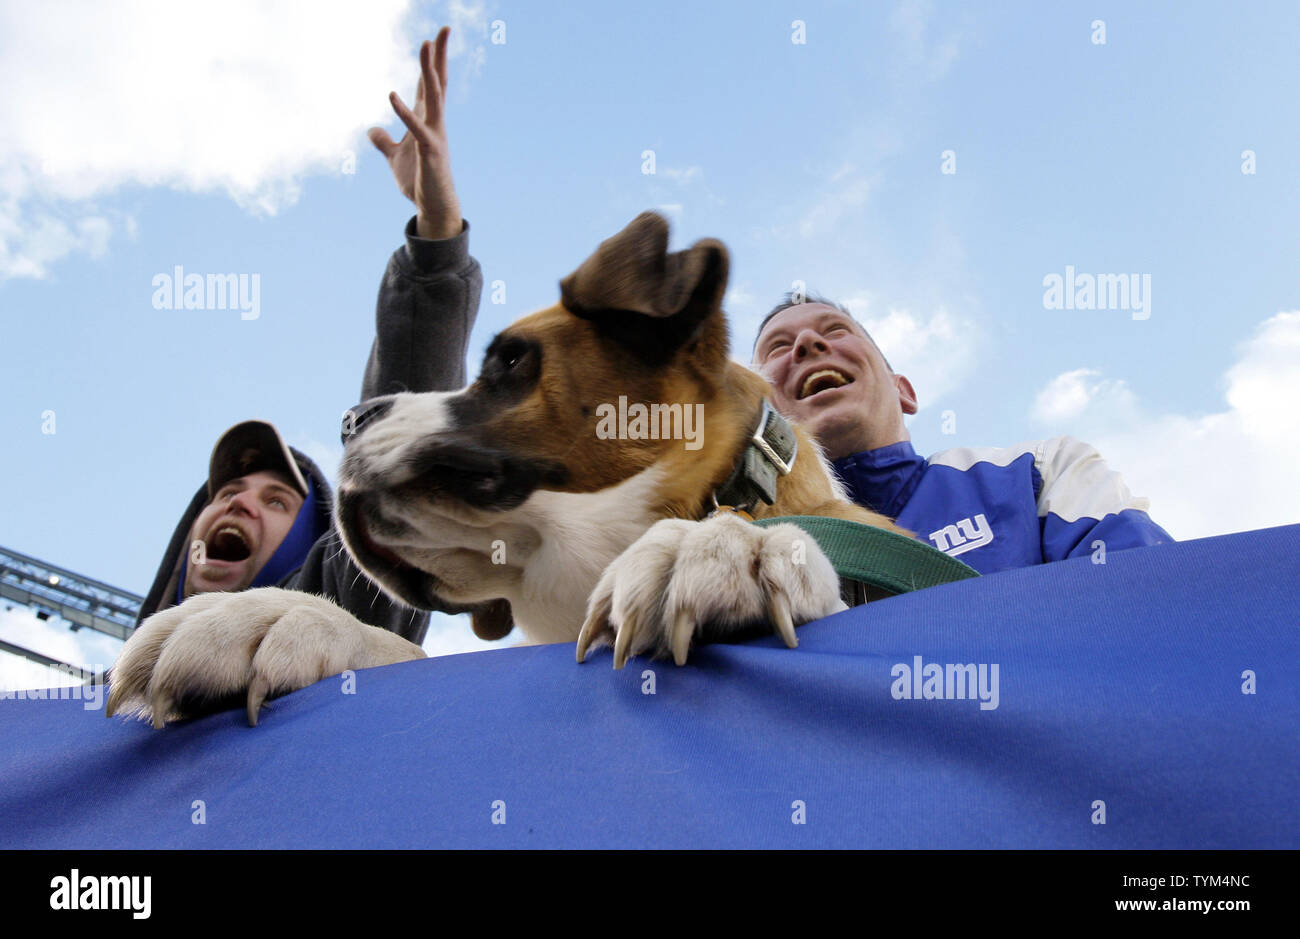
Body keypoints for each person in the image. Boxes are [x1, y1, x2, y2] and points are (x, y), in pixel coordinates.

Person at [135, 29, 481, 641]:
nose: (238, 502)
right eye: (229, 491)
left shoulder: (332, 629)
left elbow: (390, 480)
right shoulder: (92, 721)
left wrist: (435, 240)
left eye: (276, 502)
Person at [751, 293, 1173, 573]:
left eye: (836, 330)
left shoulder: (1038, 474)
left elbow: (1148, 600)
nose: (806, 342)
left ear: (904, 392)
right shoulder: (742, 540)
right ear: (760, 413)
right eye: (778, 347)